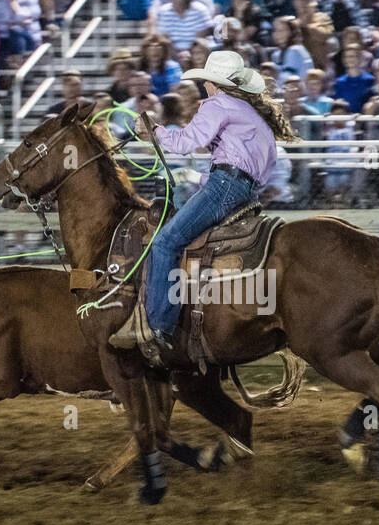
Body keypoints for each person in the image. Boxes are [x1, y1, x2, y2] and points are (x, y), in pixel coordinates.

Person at [108, 50, 298, 356]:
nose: (203, 86)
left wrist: (155, 132)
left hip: (224, 186)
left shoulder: (218, 104)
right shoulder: (249, 112)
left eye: (205, 80)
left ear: (212, 82)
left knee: (165, 242)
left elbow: (185, 143)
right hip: (245, 192)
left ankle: (156, 327)